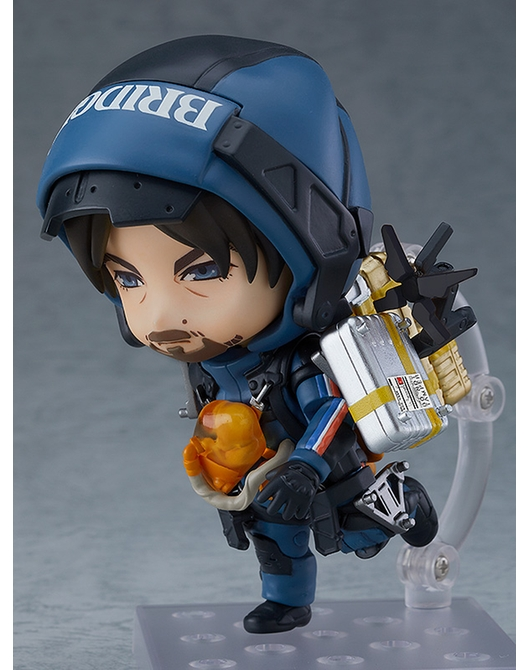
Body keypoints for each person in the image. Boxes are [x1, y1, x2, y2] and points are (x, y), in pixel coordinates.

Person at [37, 35, 459, 634]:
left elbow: (332, 406)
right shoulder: (211, 359)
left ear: (312, 243)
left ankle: (404, 502)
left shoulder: (307, 358)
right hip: (255, 465)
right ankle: (287, 600)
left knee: (355, 521)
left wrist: (307, 467)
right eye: (128, 279)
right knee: (271, 535)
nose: (159, 313)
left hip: (317, 462)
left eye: (201, 271)